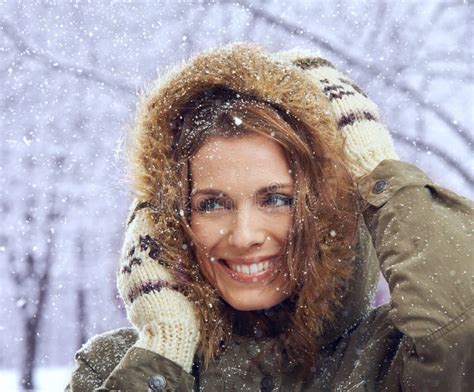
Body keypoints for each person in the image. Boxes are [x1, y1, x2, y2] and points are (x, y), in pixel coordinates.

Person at [65, 43, 473, 391]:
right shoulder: (117, 367)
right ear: (169, 223)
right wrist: (166, 350)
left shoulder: (389, 357)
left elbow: (460, 332)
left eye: (276, 199)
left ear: (328, 208)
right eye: (211, 204)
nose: (244, 236)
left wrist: (375, 170)